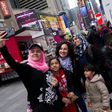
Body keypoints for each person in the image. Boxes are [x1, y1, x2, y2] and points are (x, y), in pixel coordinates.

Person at [0, 31, 62, 112]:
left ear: (42, 54)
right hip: (40, 108)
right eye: (32, 51)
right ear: (29, 54)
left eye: (38, 51)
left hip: (55, 106)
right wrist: (3, 47)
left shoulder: (46, 68)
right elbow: (13, 64)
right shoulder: (26, 68)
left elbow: (52, 85)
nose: (35, 53)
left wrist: (56, 85)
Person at [55, 41, 88, 112]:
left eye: (65, 49)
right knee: (73, 107)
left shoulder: (74, 59)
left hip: (75, 86)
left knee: (81, 104)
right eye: (61, 49)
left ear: (68, 50)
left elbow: (80, 72)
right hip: (64, 88)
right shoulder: (56, 62)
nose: (62, 51)